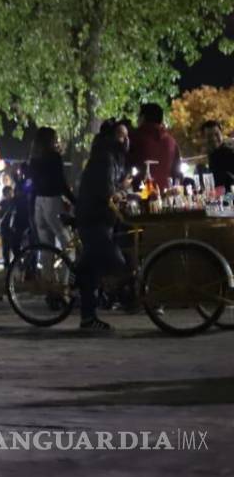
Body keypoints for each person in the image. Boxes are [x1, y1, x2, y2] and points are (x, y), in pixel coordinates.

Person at [74, 121, 131, 332]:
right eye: (120, 135)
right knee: (113, 261)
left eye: (126, 135)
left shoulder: (110, 157)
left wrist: (121, 189)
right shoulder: (105, 158)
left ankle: (88, 317)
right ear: (109, 137)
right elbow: (106, 193)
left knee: (93, 267)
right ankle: (95, 309)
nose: (125, 140)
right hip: (93, 219)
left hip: (100, 219)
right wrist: (122, 193)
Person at [28, 127, 75, 266]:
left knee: (46, 245)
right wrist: (74, 200)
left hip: (38, 202)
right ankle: (67, 280)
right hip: (52, 201)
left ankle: (48, 280)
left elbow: (33, 183)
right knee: (68, 243)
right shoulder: (54, 157)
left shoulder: (33, 159)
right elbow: (61, 183)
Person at [128, 102, 182, 190]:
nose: (137, 120)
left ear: (143, 117)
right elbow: (176, 171)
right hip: (166, 194)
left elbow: (126, 163)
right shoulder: (172, 141)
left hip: (141, 193)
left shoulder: (134, 137)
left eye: (138, 117)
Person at [201, 120, 234, 191]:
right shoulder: (211, 155)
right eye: (209, 136)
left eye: (216, 134)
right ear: (204, 138)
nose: (214, 138)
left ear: (221, 134)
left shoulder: (230, 153)